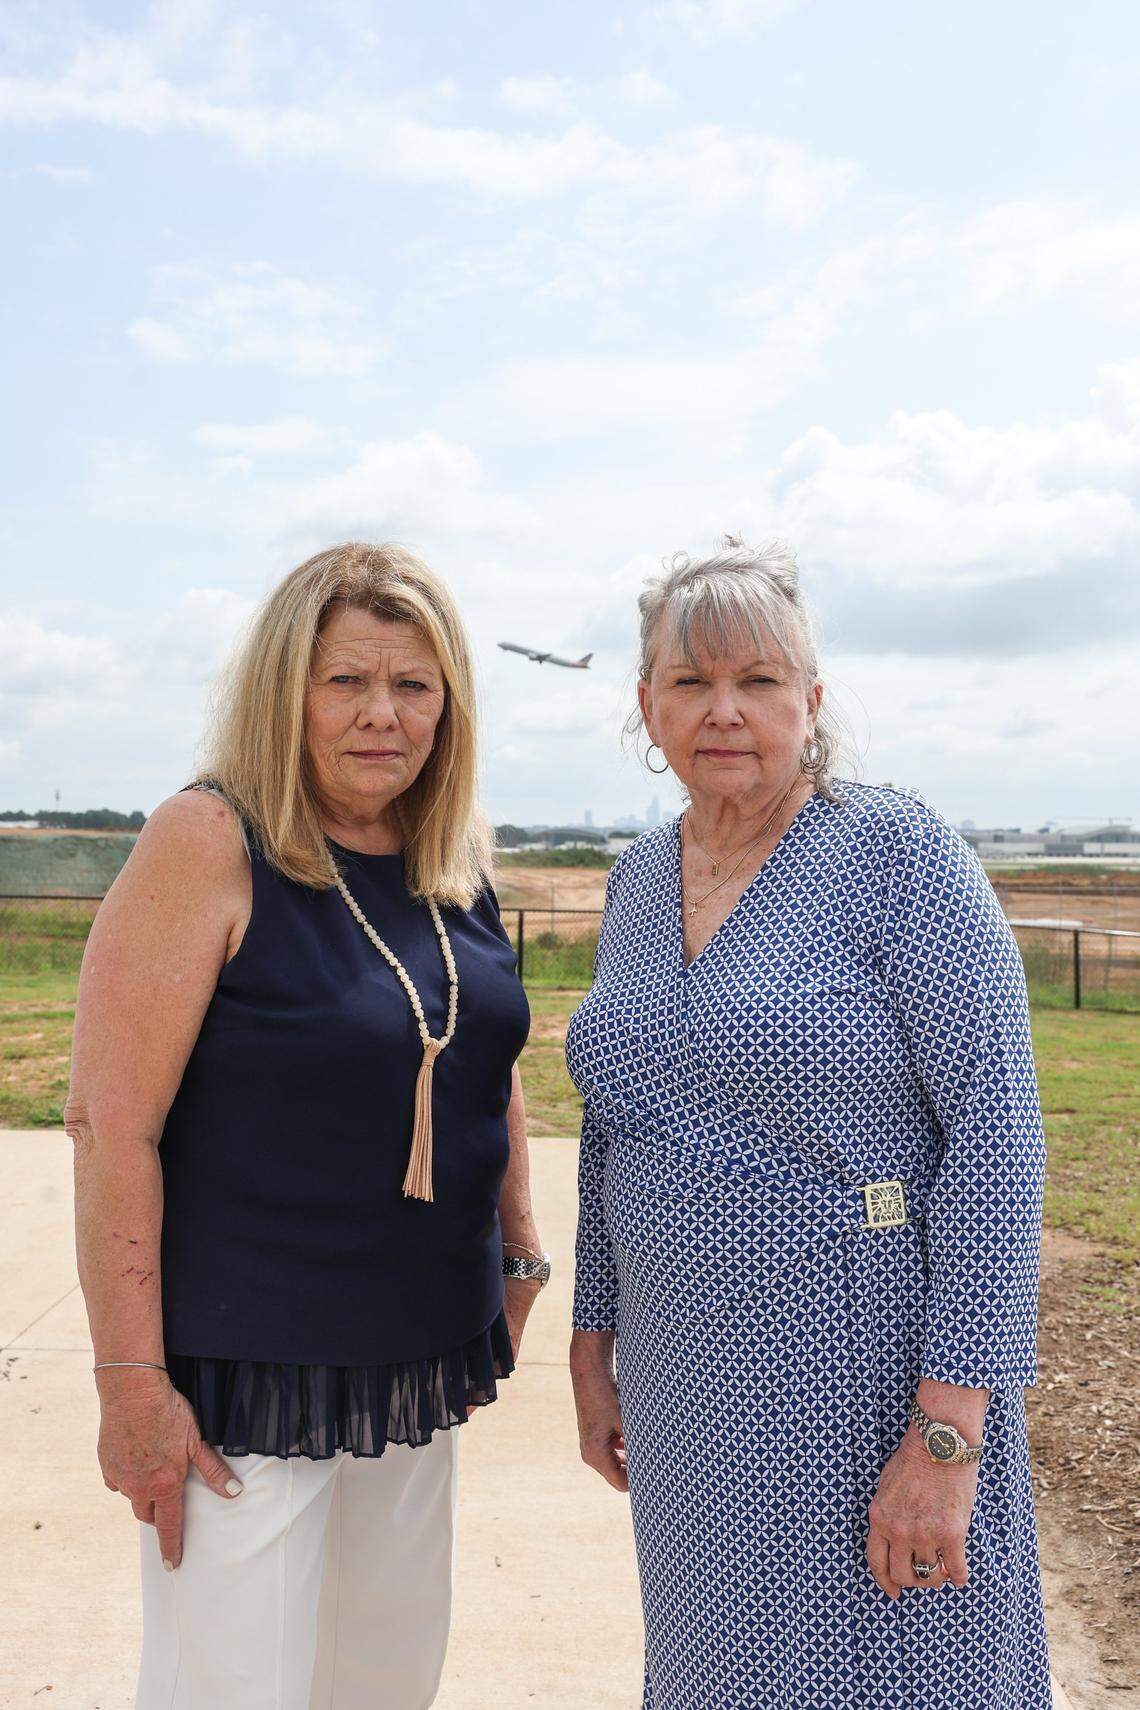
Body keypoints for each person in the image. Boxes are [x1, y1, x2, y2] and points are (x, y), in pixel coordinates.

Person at [567, 536, 1051, 1709]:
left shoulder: (898, 855)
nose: (723, 710)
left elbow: (997, 1138)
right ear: (647, 705)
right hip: (683, 1383)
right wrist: (591, 1337)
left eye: (758, 679)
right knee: (716, 1672)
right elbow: (616, 1126)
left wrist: (948, 1434)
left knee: (891, 1671)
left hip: (858, 1369)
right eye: (691, 681)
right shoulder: (637, 880)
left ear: (812, 701)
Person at [65, 541, 548, 1709]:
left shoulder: (452, 855)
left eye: (415, 685)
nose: (384, 713)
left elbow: (481, 1055)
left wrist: (521, 1248)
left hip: (419, 1359)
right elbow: (109, 1126)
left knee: (386, 1679)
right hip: (249, 1377)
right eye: (347, 681)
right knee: (231, 1688)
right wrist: (131, 1385)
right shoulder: (207, 840)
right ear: (286, 689)